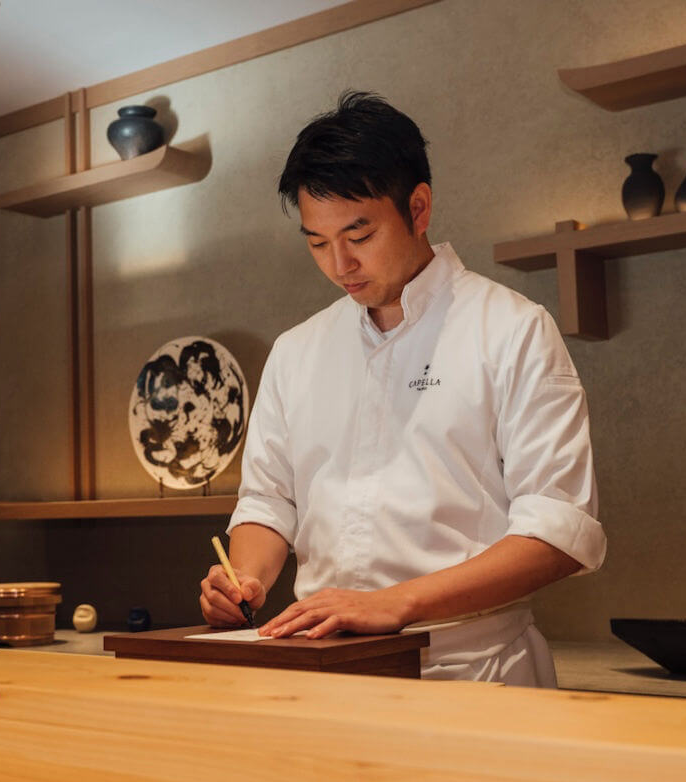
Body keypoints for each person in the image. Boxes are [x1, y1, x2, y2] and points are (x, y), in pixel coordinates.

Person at [198, 92, 606, 687]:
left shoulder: (512, 328)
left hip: (473, 672)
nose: (341, 264)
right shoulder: (297, 351)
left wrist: (400, 602)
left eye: (359, 234)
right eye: (317, 242)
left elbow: (559, 531)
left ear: (418, 208)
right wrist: (244, 579)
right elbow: (269, 503)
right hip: (323, 669)